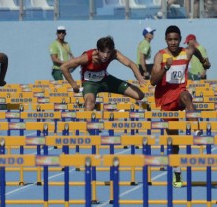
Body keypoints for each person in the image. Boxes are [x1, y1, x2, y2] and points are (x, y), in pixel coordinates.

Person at [150, 25, 210, 188]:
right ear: (166, 40)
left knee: (186, 96)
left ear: (179, 39)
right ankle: (177, 174)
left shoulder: (187, 51)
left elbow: (195, 50)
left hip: (179, 95)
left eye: (176, 39)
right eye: (170, 40)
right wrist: (166, 67)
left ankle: (196, 130)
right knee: (174, 141)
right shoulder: (160, 56)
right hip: (165, 101)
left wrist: (204, 61)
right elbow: (153, 81)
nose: (173, 42)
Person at [61, 36, 146, 112]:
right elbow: (64, 67)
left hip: (105, 80)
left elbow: (130, 63)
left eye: (108, 52)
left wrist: (139, 77)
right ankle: (88, 128)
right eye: (103, 52)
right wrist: (73, 85)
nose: (105, 56)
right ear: (97, 50)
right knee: (89, 104)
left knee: (139, 95)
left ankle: (125, 110)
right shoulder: (87, 57)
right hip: (90, 83)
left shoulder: (114, 54)